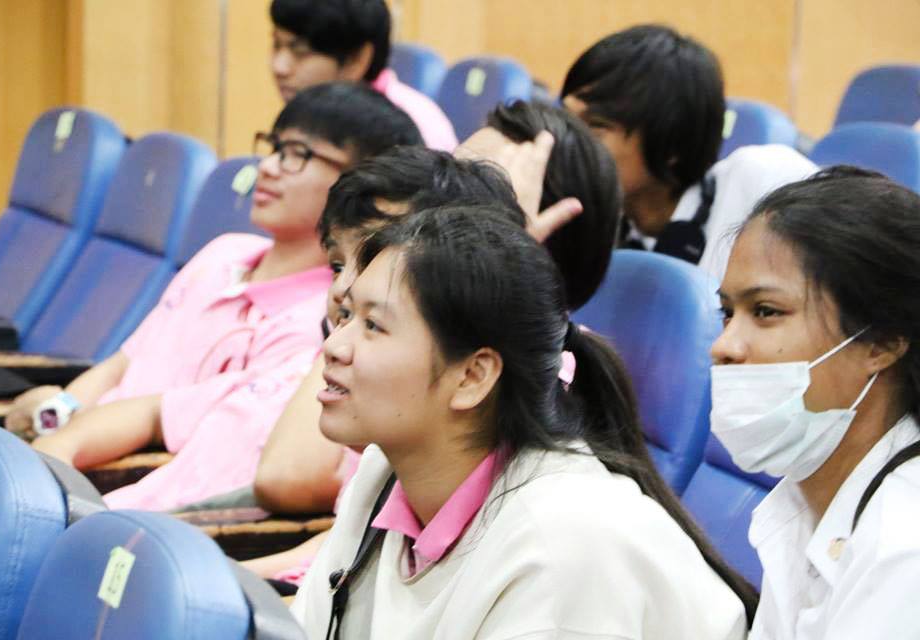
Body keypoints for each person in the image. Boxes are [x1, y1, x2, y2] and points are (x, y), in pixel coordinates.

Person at [290, 206, 753, 639]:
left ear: (472, 377)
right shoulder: (384, 473)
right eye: (346, 316)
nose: (335, 345)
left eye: (373, 326)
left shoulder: (564, 542)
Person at [9, 83, 423, 512]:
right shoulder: (223, 251)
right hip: (84, 450)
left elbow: (225, 459)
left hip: (126, 486)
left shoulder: (317, 325)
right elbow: (125, 362)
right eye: (274, 148)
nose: (268, 167)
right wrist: (59, 411)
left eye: (297, 154)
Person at [251, 100, 619, 519]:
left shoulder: (541, 377)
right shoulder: (390, 362)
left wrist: (499, 264)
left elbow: (288, 475)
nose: (438, 198)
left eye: (472, 202)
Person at [710, 166, 920, 639]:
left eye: (765, 311)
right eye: (727, 312)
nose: (724, 344)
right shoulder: (803, 493)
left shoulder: (906, 545)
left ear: (882, 342)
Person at [561, 24, 816, 279]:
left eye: (596, 126)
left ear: (671, 142)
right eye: (566, 119)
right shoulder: (581, 223)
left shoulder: (762, 179)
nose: (564, 139)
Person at [269, 0, 457, 151]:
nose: (279, 67)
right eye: (276, 45)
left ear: (356, 60)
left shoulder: (413, 134)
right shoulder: (309, 113)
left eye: (301, 51)